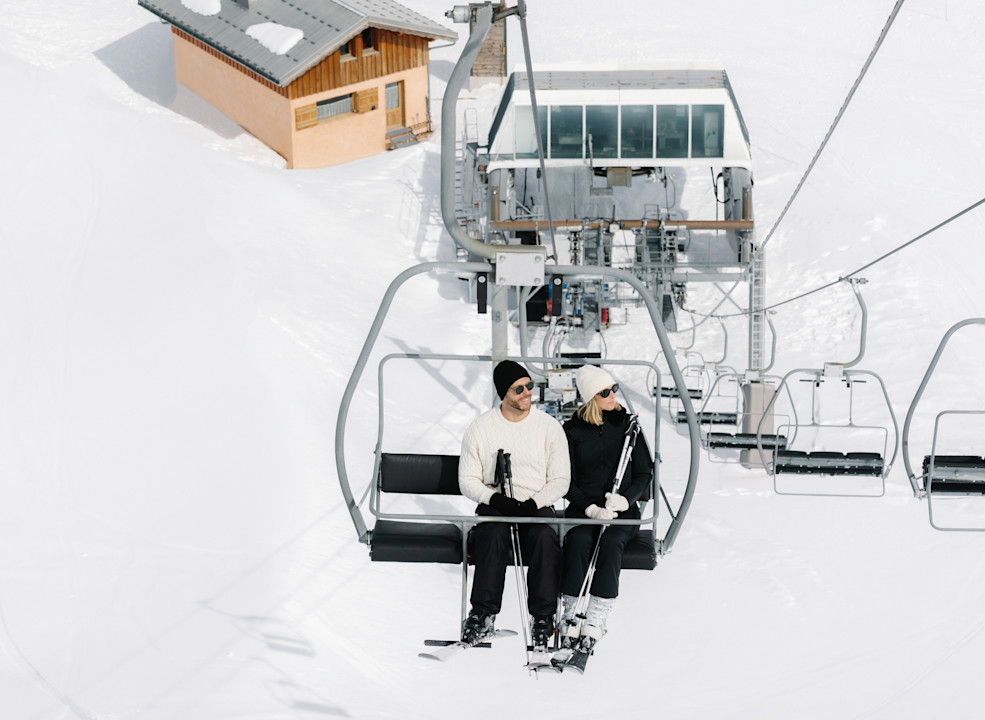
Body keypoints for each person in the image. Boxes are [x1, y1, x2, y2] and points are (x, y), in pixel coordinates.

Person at [458, 360, 571, 646]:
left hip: (536, 505)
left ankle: (543, 617)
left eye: (529, 385)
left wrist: (534, 503)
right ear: (503, 393)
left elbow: (560, 479)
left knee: (545, 538)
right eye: (519, 388)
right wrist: (494, 498)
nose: (527, 392)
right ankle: (482, 614)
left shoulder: (548, 427)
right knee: (491, 534)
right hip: (497, 504)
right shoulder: (481, 428)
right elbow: (467, 480)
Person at [558, 364, 652, 651]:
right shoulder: (571, 431)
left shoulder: (627, 425)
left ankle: (597, 614)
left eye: (614, 388)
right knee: (579, 541)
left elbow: (644, 472)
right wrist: (588, 508)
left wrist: (626, 499)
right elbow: (565, 480)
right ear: (589, 398)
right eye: (604, 392)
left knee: (611, 544)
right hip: (584, 511)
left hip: (622, 512)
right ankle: (570, 612)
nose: (612, 395)